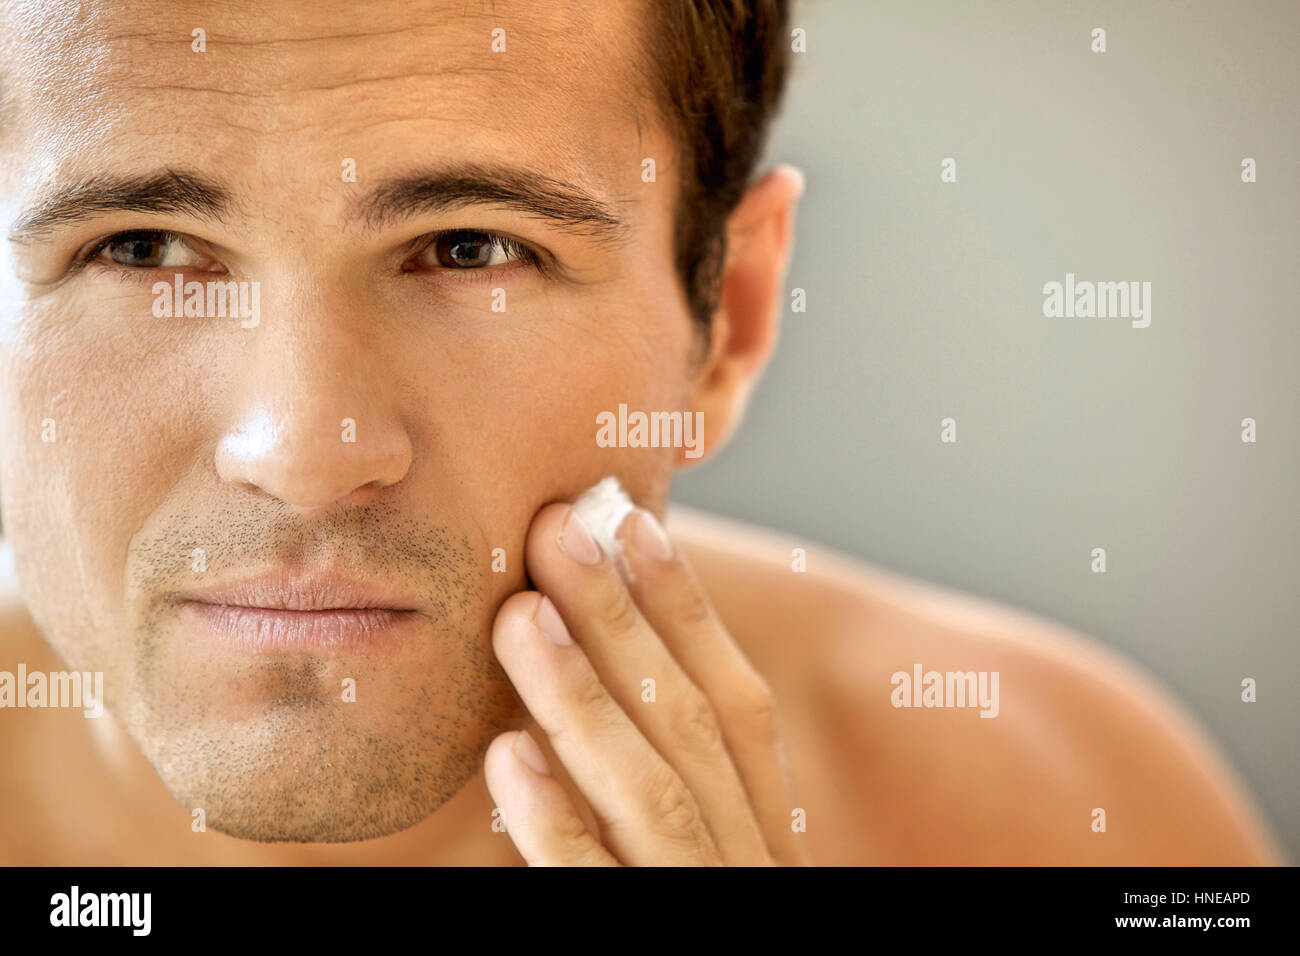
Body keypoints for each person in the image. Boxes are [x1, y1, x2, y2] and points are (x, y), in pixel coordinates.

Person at [0, 0, 1281, 865]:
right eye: (141, 249)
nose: (303, 450)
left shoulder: (1057, 806)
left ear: (723, 320)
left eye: (471, 248)